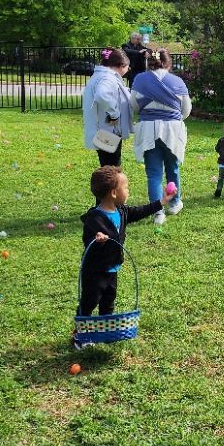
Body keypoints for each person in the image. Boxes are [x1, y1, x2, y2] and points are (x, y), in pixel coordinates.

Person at [78, 165, 166, 318]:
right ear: (113, 193)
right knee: (90, 302)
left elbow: (140, 211)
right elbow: (88, 241)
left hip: (112, 268)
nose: (128, 191)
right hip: (95, 271)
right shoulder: (95, 219)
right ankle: (80, 333)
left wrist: (162, 202)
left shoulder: (121, 211)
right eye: (125, 188)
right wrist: (97, 238)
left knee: (108, 301)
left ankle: (106, 330)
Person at [131, 48, 191, 225]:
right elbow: (186, 111)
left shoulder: (140, 79)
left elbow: (134, 106)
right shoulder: (177, 81)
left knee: (153, 173)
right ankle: (174, 202)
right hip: (172, 130)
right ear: (168, 63)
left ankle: (158, 213)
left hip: (149, 129)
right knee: (173, 168)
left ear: (150, 63)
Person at [81, 47, 134, 168]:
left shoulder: (100, 75)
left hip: (102, 129)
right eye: (127, 67)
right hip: (107, 130)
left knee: (108, 166)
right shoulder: (107, 78)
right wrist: (114, 113)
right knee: (112, 169)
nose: (127, 70)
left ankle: (109, 186)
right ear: (121, 65)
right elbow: (102, 94)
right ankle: (110, 187)